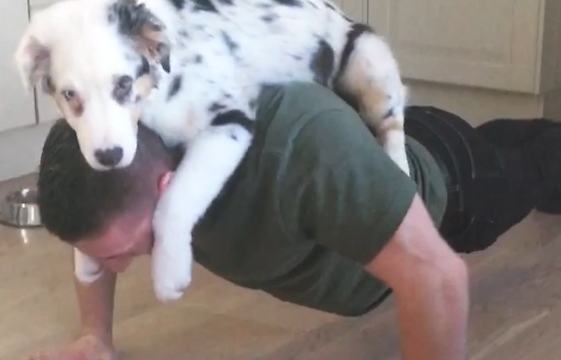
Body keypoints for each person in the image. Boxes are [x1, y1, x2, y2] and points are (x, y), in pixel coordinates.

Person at [28, 81, 561, 360]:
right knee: (503, 141)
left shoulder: (297, 151)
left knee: (534, 164)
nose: (116, 265)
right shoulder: (123, 154)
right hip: (371, 151)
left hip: (453, 191)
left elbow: (439, 279)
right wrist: (95, 338)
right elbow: (99, 236)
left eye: (128, 246)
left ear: (170, 191)